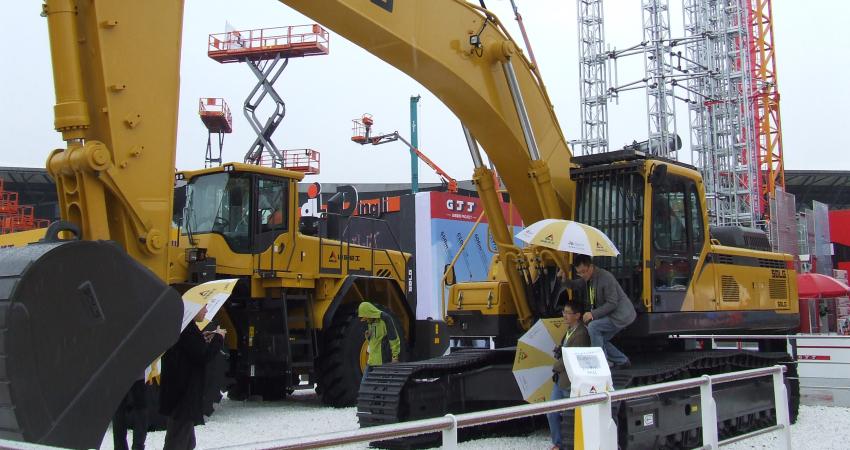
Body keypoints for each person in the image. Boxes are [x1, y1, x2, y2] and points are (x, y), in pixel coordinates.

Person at [159, 304, 226, 450]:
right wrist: (219, 338)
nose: (206, 311)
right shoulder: (187, 330)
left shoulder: (184, 327)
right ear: (193, 308)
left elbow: (193, 349)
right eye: (204, 307)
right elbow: (202, 355)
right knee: (178, 439)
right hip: (184, 394)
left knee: (187, 441)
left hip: (182, 393)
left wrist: (203, 339)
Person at [562, 254, 636, 369]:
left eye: (583, 271)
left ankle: (601, 364)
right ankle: (622, 361)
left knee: (594, 327)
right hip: (611, 314)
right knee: (599, 338)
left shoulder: (606, 278)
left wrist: (593, 314)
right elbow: (575, 285)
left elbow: (612, 303)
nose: (582, 275)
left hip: (620, 315)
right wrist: (563, 280)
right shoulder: (588, 277)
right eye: (579, 273)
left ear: (591, 266)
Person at [547, 302, 591, 450]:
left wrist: (556, 366)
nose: (564, 315)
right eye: (563, 312)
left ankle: (567, 444)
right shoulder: (569, 330)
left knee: (569, 415)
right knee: (551, 412)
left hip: (569, 380)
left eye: (567, 312)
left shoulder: (581, 334)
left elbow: (572, 357)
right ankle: (558, 443)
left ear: (577, 315)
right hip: (561, 379)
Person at [358, 301, 401, 382]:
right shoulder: (370, 321)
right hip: (371, 361)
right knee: (364, 387)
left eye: (366, 318)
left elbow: (394, 338)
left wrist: (395, 356)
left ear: (369, 313)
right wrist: (368, 337)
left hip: (382, 362)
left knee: (381, 387)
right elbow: (375, 341)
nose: (366, 320)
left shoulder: (385, 319)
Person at [112, 377, 148, 450]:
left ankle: (121, 447)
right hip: (137, 374)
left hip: (118, 373)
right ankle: (138, 446)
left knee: (119, 410)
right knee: (140, 409)